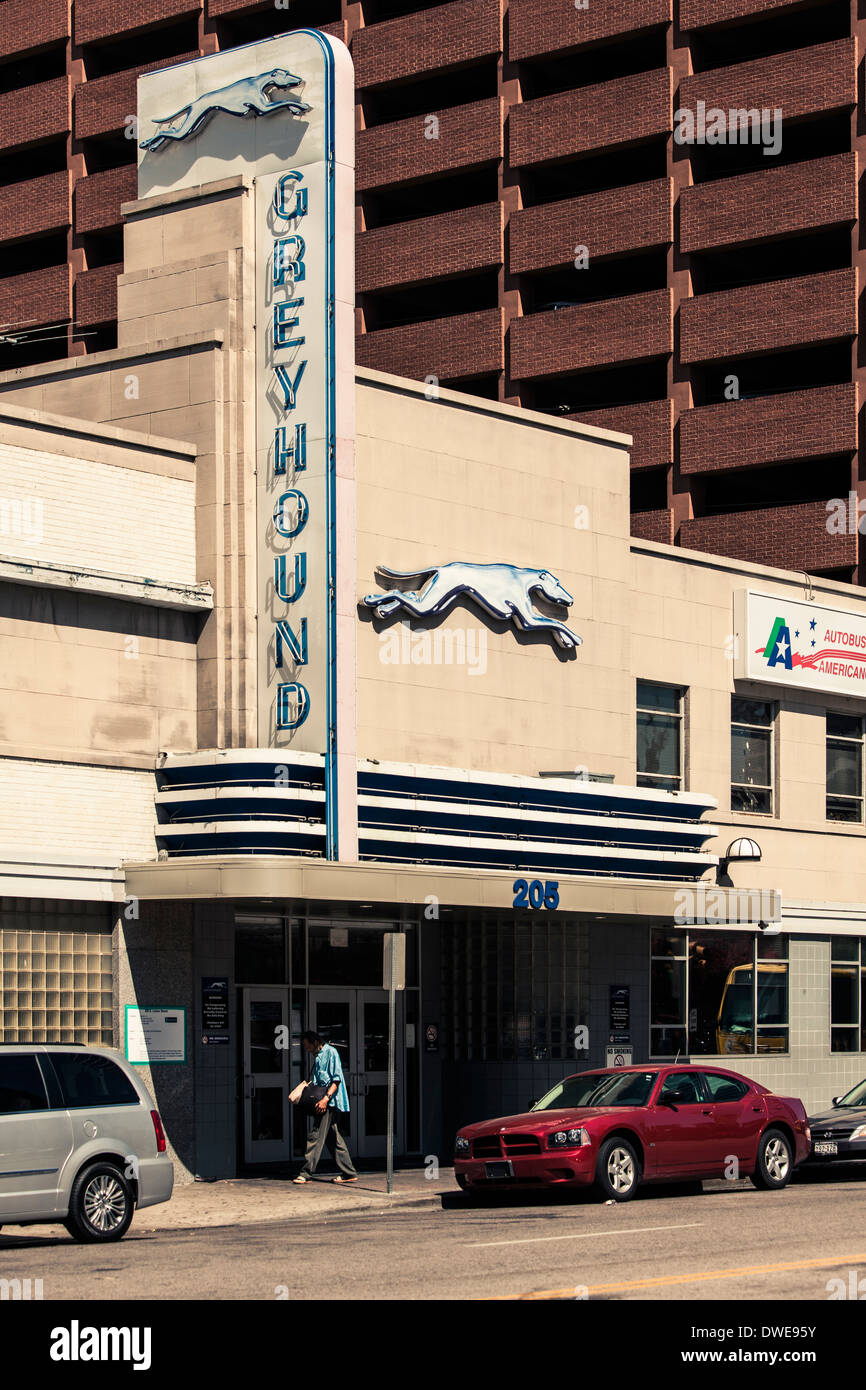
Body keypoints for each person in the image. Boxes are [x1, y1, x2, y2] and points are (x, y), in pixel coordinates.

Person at [292, 1030, 358, 1184]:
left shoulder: (331, 1053)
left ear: (315, 1042)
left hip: (328, 1102)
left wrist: (325, 1099)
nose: (307, 1050)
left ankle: (306, 1173)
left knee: (315, 1135)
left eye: (308, 1046)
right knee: (333, 1138)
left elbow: (336, 1080)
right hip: (323, 1101)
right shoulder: (318, 1056)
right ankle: (349, 1172)